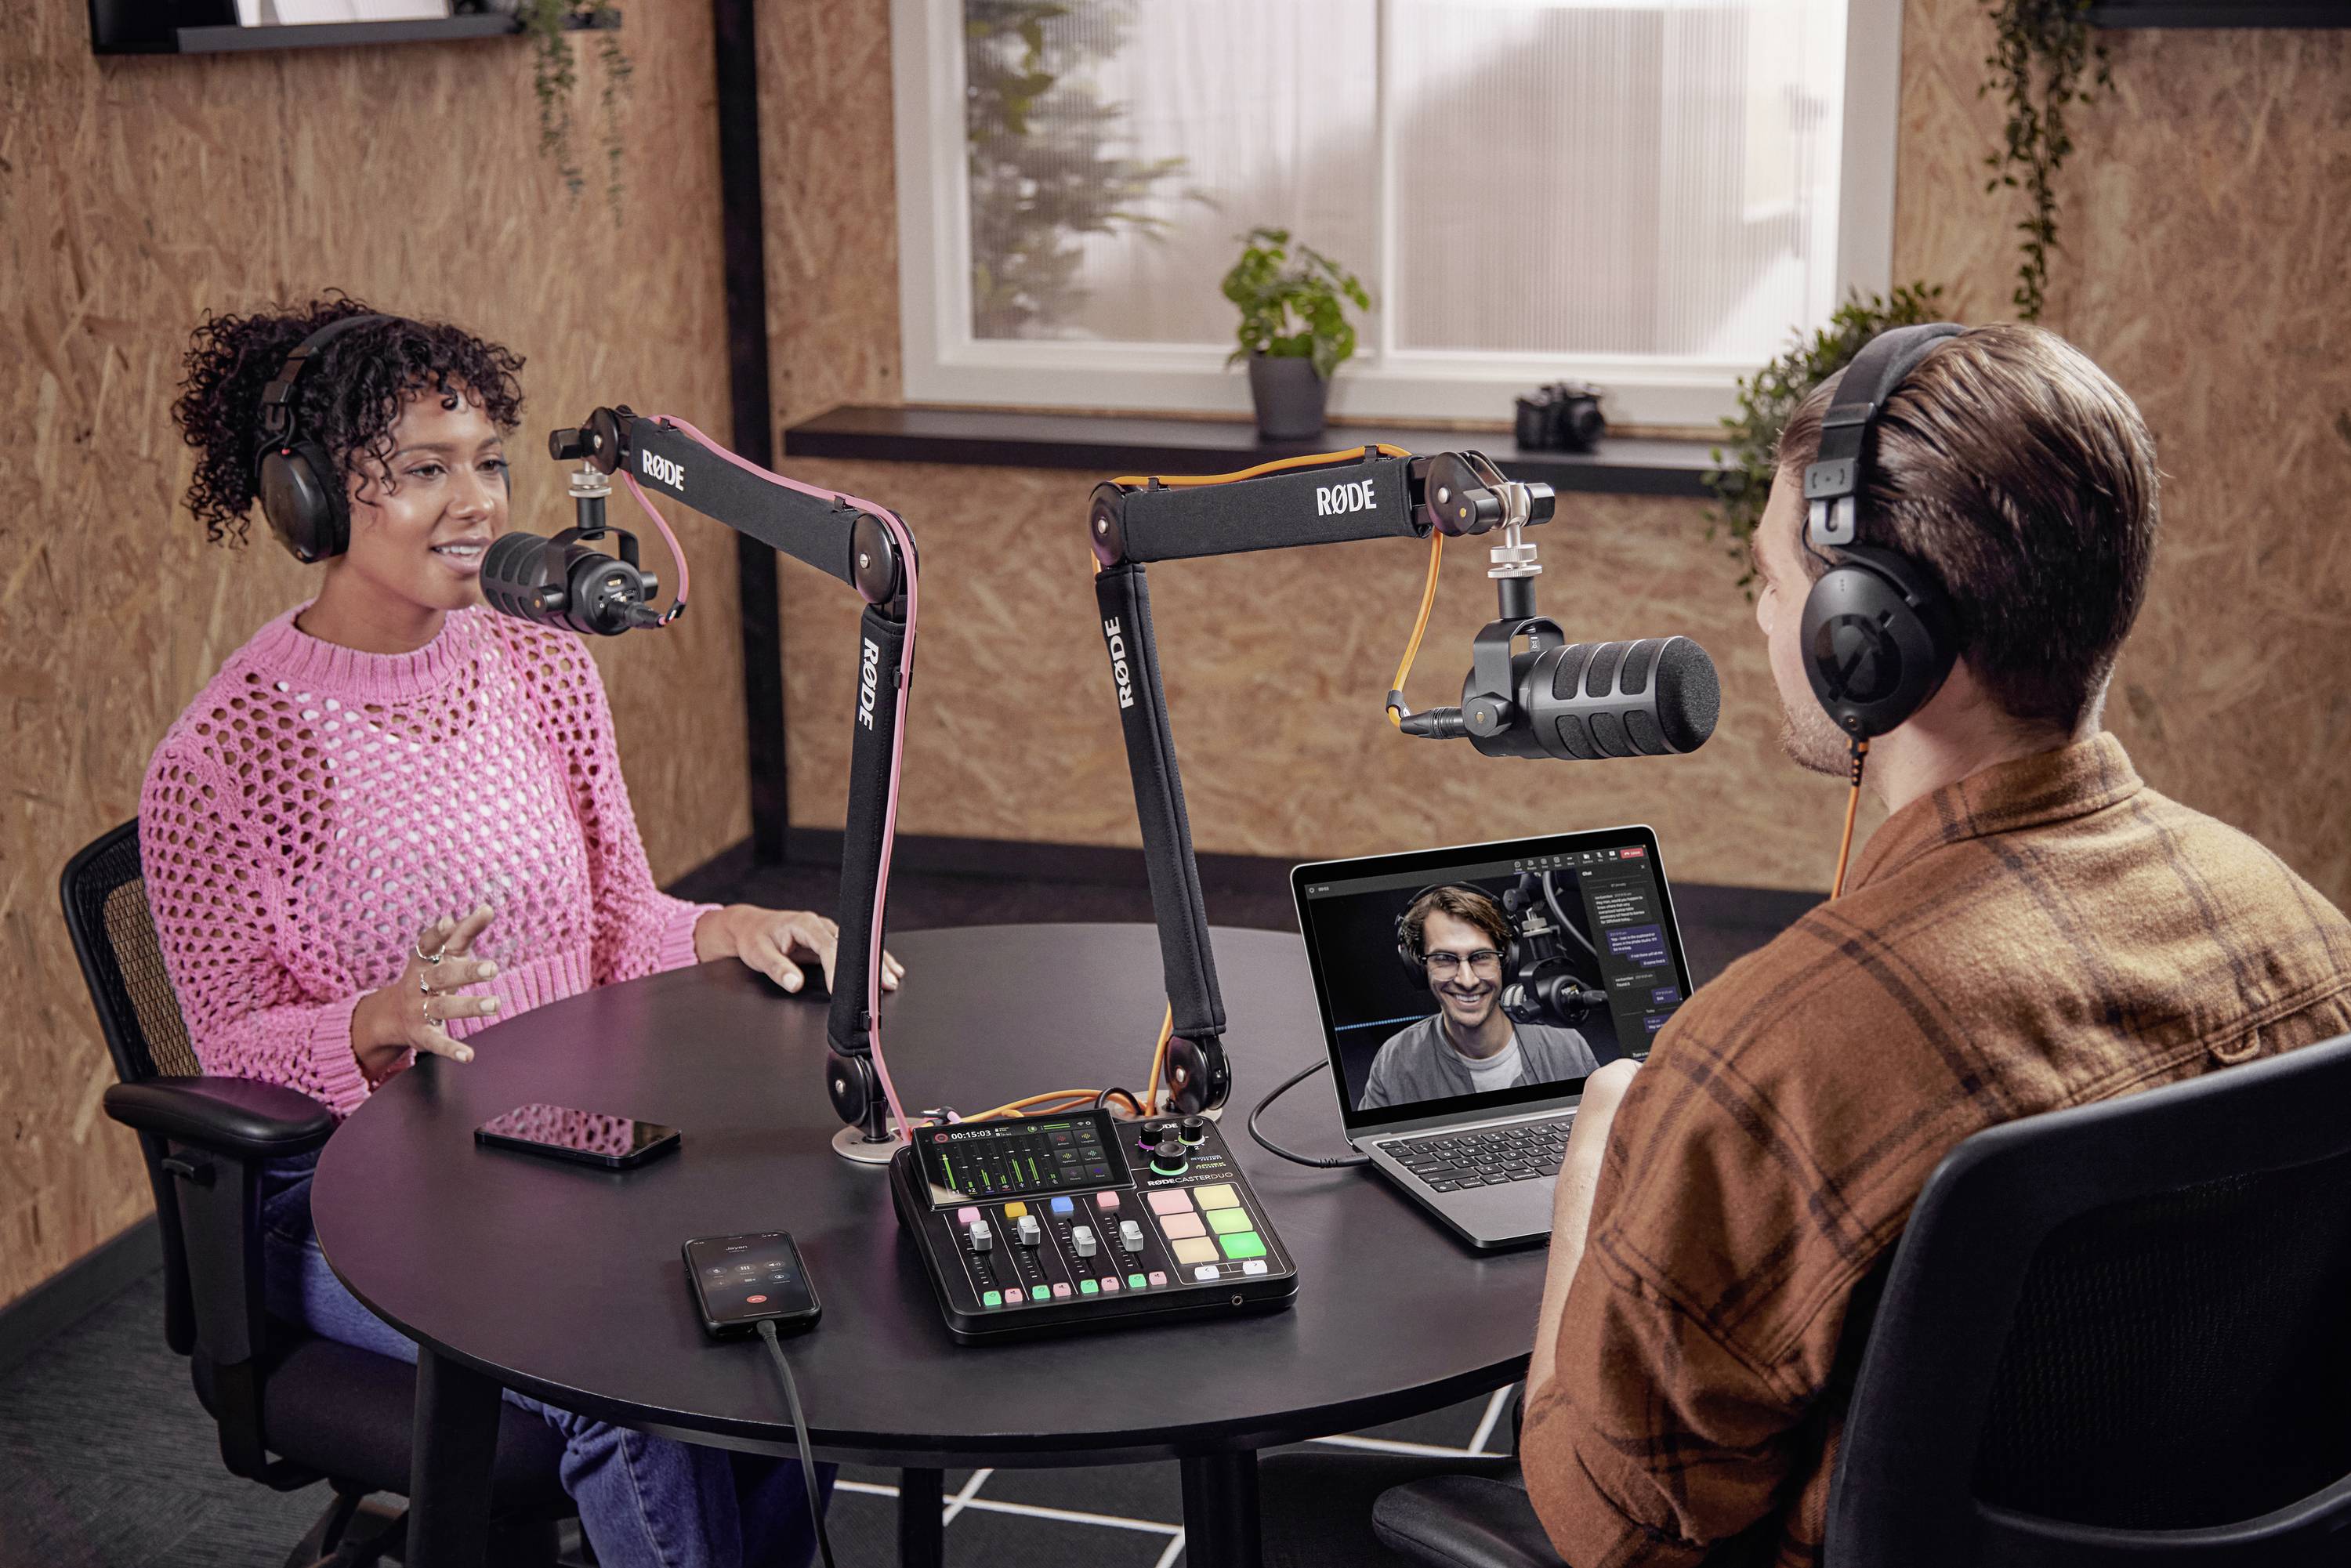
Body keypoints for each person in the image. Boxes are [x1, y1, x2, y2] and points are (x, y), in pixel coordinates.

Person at [1261, 322, 2351, 1566]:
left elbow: (1611, 1528)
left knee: (1303, 1511)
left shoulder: (1770, 1063)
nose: (1760, 611)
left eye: (1776, 579)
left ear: (1867, 636)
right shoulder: (2314, 938)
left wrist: (1599, 1157)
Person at [143, 298, 902, 1568]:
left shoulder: (543, 668)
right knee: (626, 1380)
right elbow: (224, 1053)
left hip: (556, 1151)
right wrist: (370, 1024)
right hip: (341, 1201)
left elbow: (616, 915)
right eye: (424, 470)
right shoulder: (230, 752)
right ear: (308, 497)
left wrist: (730, 923)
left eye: (489, 462)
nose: (479, 501)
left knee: (773, 1308)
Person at [1360, 885, 1599, 1109]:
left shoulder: (1565, 1046)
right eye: (1444, 959)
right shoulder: (1394, 1062)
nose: (1468, 981)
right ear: (1419, 968)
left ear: (1506, 961)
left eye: (1482, 956)